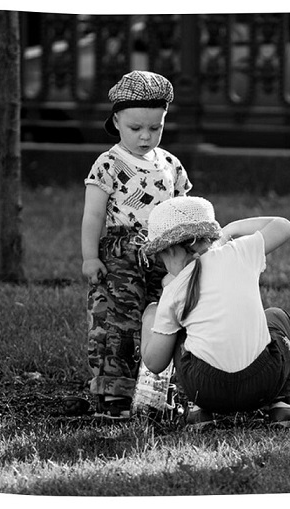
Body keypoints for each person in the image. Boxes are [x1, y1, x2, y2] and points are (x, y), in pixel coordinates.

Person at [140, 196, 290, 428]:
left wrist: (149, 318)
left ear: (170, 250)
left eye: (159, 257)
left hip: (206, 390)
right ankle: (282, 406)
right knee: (278, 316)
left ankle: (199, 413)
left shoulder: (173, 290)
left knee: (180, 331)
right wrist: (231, 229)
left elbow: (154, 363)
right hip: (263, 384)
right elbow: (284, 226)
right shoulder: (239, 252)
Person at [81, 70, 192, 419]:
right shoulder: (109, 164)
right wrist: (89, 257)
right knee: (117, 320)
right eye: (135, 128)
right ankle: (113, 394)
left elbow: (184, 210)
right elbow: (93, 216)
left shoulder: (170, 165)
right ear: (116, 121)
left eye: (155, 128)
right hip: (121, 256)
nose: (145, 136)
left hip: (165, 253)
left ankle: (160, 391)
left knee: (165, 316)